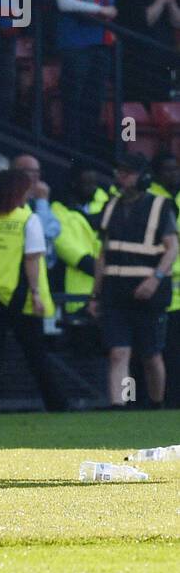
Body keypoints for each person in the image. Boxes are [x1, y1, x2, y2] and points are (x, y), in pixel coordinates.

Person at [0, 168, 66, 414]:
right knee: (35, 354)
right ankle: (56, 405)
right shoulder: (26, 219)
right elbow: (31, 259)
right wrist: (35, 293)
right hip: (18, 293)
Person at [89, 153, 177, 409]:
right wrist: (95, 295)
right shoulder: (111, 206)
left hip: (149, 292)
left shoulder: (161, 206)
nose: (121, 178)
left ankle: (156, 403)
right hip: (115, 291)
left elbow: (172, 248)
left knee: (151, 355)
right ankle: (119, 406)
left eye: (127, 173)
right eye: (119, 172)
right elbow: (103, 254)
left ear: (143, 177)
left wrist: (155, 279)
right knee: (118, 352)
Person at [51, 0, 117, 151]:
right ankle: (73, 145)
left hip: (98, 39)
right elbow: (63, 1)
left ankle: (89, 145)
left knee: (95, 96)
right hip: (75, 41)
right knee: (75, 95)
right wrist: (100, 10)